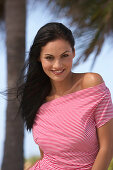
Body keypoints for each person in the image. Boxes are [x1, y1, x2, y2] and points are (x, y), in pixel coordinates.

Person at [18, 22, 113, 170]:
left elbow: (107, 147)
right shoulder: (37, 99)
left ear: (73, 53)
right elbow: (48, 156)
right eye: (49, 58)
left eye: (64, 56)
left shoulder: (91, 84)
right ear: (39, 58)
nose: (58, 65)